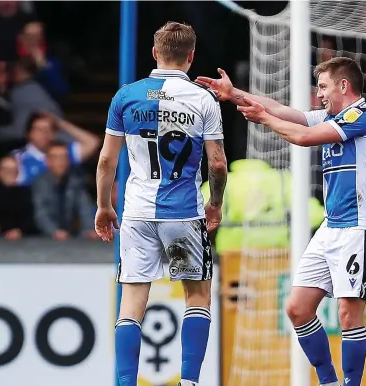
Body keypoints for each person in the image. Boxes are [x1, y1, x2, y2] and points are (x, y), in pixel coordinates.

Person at [197, 56, 366, 386]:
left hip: (360, 227)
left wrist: (265, 119)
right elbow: (283, 110)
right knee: (298, 308)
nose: (319, 94)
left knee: (347, 313)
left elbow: (301, 137)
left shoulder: (363, 117)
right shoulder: (332, 115)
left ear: (344, 86)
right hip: (332, 226)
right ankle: (328, 381)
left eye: (323, 87)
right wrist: (235, 93)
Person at [94, 22, 227, 386]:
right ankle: (189, 382)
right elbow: (216, 163)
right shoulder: (203, 99)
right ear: (191, 57)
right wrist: (215, 201)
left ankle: (124, 383)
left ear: (155, 53)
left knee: (132, 302)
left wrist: (105, 206)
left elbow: (107, 160)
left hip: (136, 213)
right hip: (183, 213)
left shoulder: (126, 96)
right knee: (197, 296)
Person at [32, 142, 97, 240]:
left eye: (64, 157)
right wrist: (53, 231)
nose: (61, 161)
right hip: (41, 236)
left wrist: (89, 229)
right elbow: (40, 213)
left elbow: (85, 208)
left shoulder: (75, 182)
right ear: (47, 161)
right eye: (56, 158)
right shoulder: (39, 183)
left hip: (69, 235)